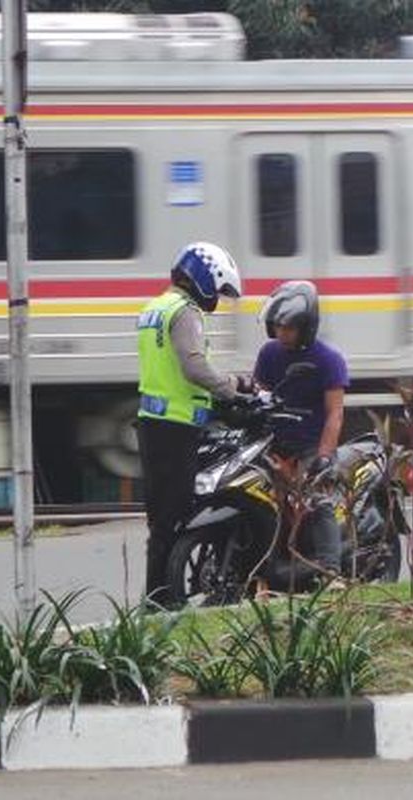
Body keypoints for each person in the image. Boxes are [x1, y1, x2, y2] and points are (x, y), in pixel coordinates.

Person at [136, 241, 248, 607]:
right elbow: (193, 366)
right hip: (176, 426)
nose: (217, 298)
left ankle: (158, 595)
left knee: (162, 516)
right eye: (218, 289)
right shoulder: (185, 312)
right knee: (175, 514)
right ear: (204, 278)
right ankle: (160, 601)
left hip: (154, 422)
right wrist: (232, 389)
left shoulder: (155, 307)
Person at [253, 280, 350, 580]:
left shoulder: (328, 360)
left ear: (306, 327)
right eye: (278, 327)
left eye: (289, 328)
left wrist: (323, 456)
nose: (282, 333)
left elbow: (335, 414)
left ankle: (331, 570)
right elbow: (260, 393)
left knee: (319, 500)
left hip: (310, 445)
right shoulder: (269, 354)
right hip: (275, 444)